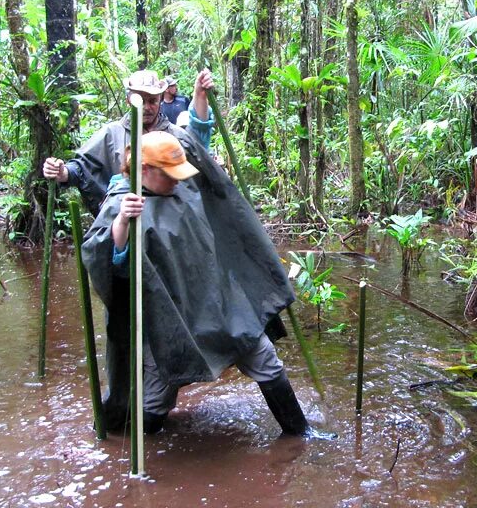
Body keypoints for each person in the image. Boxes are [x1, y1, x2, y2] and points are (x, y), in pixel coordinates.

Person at [81, 131, 310, 436]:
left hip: (220, 305)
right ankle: (137, 450)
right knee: (154, 405)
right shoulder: (122, 204)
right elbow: (110, 263)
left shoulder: (182, 187)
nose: (177, 180)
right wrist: (121, 223)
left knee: (264, 358)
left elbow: (215, 194)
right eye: (170, 174)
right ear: (146, 170)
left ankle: (300, 434)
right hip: (170, 322)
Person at [41, 69, 214, 215]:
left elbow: (198, 148)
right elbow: (83, 167)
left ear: (161, 99)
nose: (147, 107)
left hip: (171, 224)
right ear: (129, 100)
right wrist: (62, 172)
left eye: (152, 101)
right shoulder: (111, 133)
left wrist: (200, 96)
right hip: (126, 225)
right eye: (141, 101)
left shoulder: (174, 135)